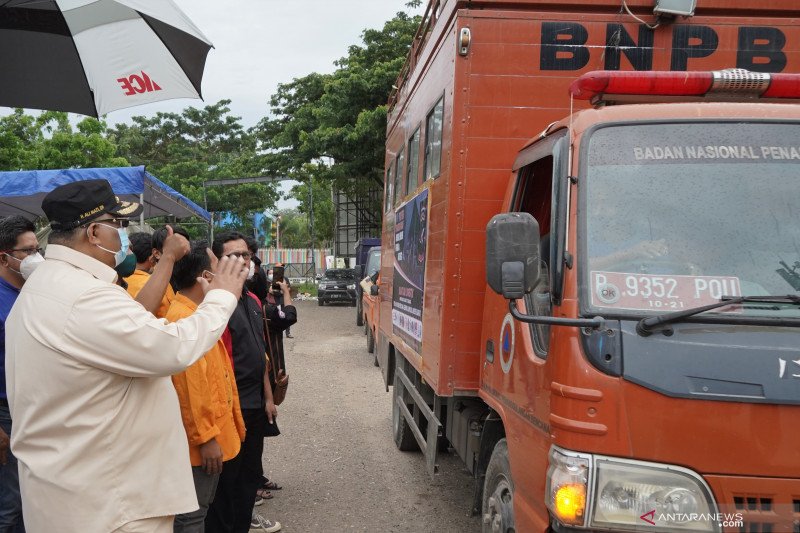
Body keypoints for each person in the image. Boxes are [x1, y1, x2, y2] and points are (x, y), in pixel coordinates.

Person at [5, 179, 248, 533]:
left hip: (81, 490)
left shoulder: (50, 285)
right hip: (109, 503)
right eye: (118, 225)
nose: (125, 236)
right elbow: (172, 348)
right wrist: (222, 296)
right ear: (93, 232)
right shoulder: (83, 296)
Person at [168, 242, 247, 533]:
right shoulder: (183, 319)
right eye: (219, 271)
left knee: (202, 510)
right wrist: (206, 439)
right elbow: (191, 389)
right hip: (198, 446)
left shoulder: (198, 315)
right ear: (205, 277)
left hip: (210, 437)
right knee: (191, 515)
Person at [206, 231, 281, 533]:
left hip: (254, 407)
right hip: (227, 410)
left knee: (249, 479)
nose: (242, 261)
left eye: (246, 256)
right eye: (233, 256)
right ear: (217, 262)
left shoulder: (252, 299)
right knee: (225, 486)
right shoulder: (212, 302)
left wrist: (268, 398)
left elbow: (260, 352)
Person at [0, 215, 41, 533]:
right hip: (6, 415)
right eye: (27, 252)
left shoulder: (35, 292)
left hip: (33, 408)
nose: (36, 258)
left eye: (38, 249)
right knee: (10, 505)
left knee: (33, 499)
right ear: (5, 257)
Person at [126, 225, 191, 317]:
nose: (182, 252)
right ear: (156, 253)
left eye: (185, 247)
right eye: (174, 248)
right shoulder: (153, 283)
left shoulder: (190, 276)